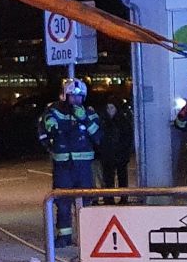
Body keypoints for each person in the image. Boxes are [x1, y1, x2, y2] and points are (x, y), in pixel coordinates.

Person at [37, 77, 101, 247]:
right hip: (63, 165)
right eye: (72, 96)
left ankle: (87, 237)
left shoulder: (90, 113)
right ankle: (64, 236)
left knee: (86, 202)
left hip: (83, 166)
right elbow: (46, 131)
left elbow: (98, 137)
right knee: (62, 202)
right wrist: (52, 144)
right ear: (65, 95)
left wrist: (84, 120)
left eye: (79, 97)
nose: (76, 100)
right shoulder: (53, 111)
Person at [95, 100, 134, 192]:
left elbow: (128, 138)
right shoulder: (103, 121)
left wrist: (125, 151)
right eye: (108, 108)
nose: (109, 110)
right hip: (108, 155)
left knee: (122, 177)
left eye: (112, 108)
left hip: (120, 154)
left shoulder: (123, 121)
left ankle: (123, 197)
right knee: (108, 178)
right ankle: (109, 197)